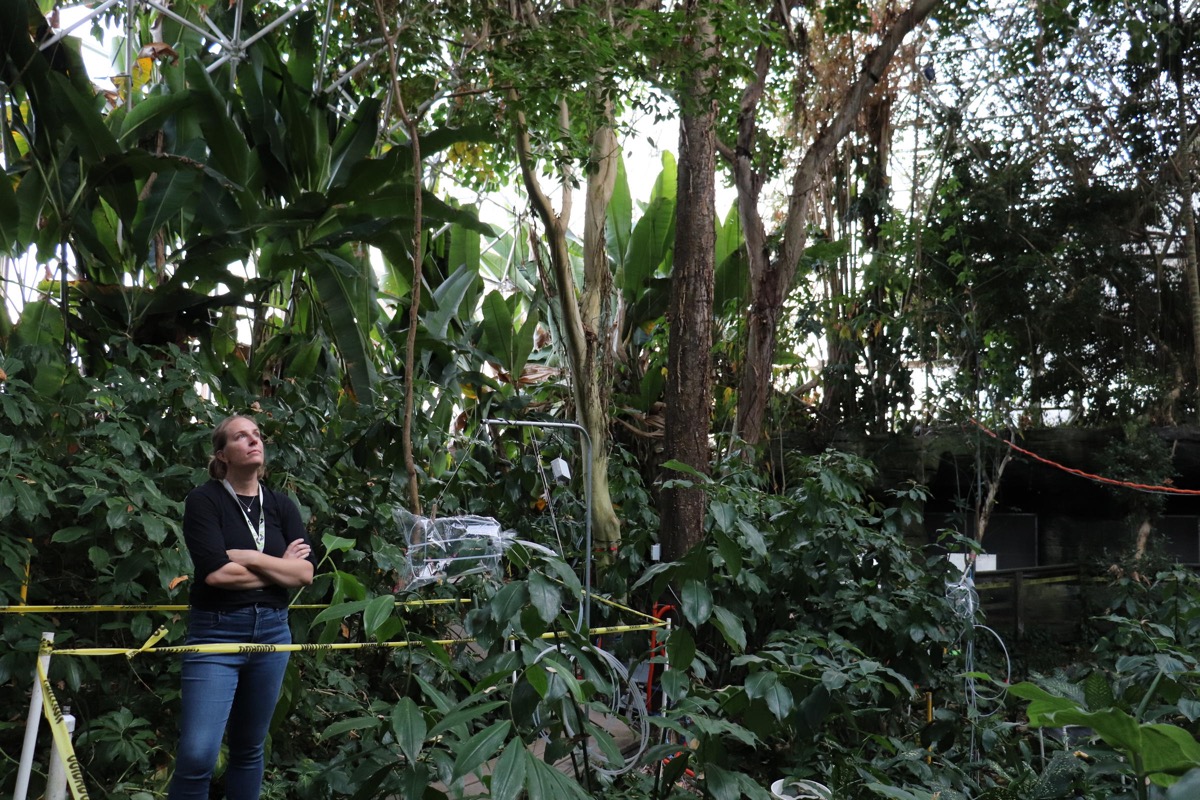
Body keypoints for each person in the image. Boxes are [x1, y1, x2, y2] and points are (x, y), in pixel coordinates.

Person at [169, 414, 315, 800]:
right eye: (240, 437)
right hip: (217, 631)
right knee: (198, 753)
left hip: (272, 631)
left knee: (249, 749)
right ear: (223, 454)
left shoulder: (282, 505)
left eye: (256, 435)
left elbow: (304, 574)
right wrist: (278, 566)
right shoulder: (204, 501)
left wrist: (248, 557)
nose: (253, 441)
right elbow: (216, 575)